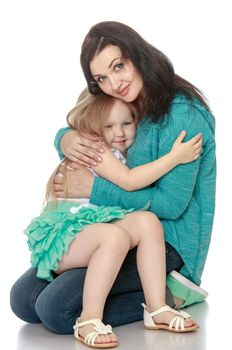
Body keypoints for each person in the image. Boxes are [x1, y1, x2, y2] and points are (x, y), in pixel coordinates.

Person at [10, 21, 216, 337]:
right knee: (23, 299)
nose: (114, 83)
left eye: (119, 66)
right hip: (114, 226)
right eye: (101, 78)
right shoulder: (125, 100)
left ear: (138, 54)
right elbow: (89, 119)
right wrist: (64, 138)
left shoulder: (181, 115)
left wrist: (95, 188)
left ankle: (170, 295)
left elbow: (172, 206)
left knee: (56, 309)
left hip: (167, 243)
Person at [23, 90, 201, 347]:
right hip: (62, 242)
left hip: (88, 231)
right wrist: (174, 158)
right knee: (114, 236)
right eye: (109, 126)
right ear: (93, 127)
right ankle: (89, 319)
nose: (120, 133)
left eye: (127, 123)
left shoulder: (114, 149)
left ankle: (157, 307)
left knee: (147, 222)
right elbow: (129, 182)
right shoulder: (96, 149)